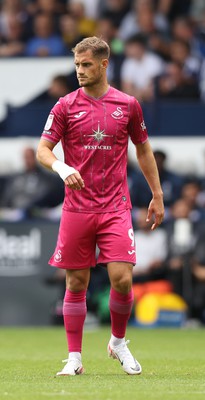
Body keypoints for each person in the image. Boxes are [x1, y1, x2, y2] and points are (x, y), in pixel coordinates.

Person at [36, 36, 164, 376]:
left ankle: (118, 342)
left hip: (115, 207)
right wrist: (62, 168)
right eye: (77, 64)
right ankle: (74, 358)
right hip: (77, 208)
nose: (79, 70)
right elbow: (43, 150)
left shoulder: (128, 105)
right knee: (76, 283)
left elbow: (144, 150)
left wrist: (157, 194)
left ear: (104, 65)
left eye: (86, 64)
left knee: (122, 280)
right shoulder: (64, 105)